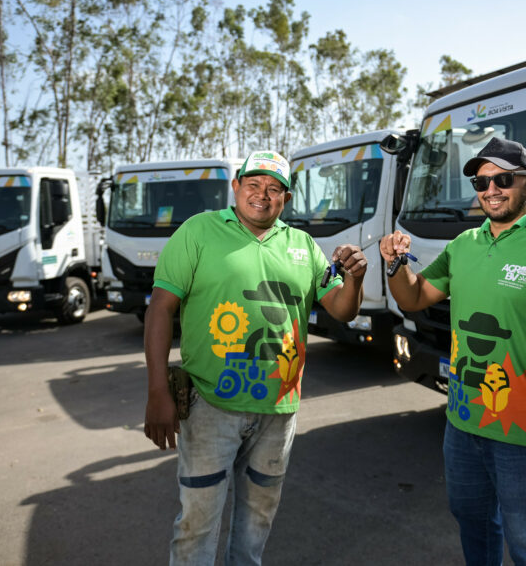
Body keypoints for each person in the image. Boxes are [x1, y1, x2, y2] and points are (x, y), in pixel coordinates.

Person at [380, 137, 526, 565]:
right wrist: (395, 264)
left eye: (503, 179)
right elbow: (414, 297)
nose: (491, 189)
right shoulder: (464, 245)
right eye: (482, 181)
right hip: (462, 426)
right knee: (474, 527)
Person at [144, 150, 366, 565]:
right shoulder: (198, 232)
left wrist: (355, 278)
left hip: (278, 411)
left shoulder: (303, 246)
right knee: (196, 525)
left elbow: (342, 309)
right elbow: (160, 307)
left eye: (274, 188)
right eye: (253, 185)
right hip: (211, 406)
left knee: (256, 522)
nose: (262, 195)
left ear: (285, 197)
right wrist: (157, 389)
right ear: (237, 188)